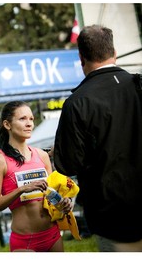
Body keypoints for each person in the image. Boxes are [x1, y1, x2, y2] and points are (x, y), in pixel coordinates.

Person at [54, 24, 142, 252]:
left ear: (81, 58)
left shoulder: (76, 104)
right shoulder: (138, 86)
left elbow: (68, 164)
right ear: (115, 53)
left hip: (113, 218)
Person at [0, 101, 72, 252]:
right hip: (25, 241)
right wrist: (22, 189)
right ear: (7, 124)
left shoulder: (42, 155)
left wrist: (64, 202)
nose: (29, 124)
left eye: (31, 119)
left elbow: (52, 194)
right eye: (22, 119)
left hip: (53, 235)